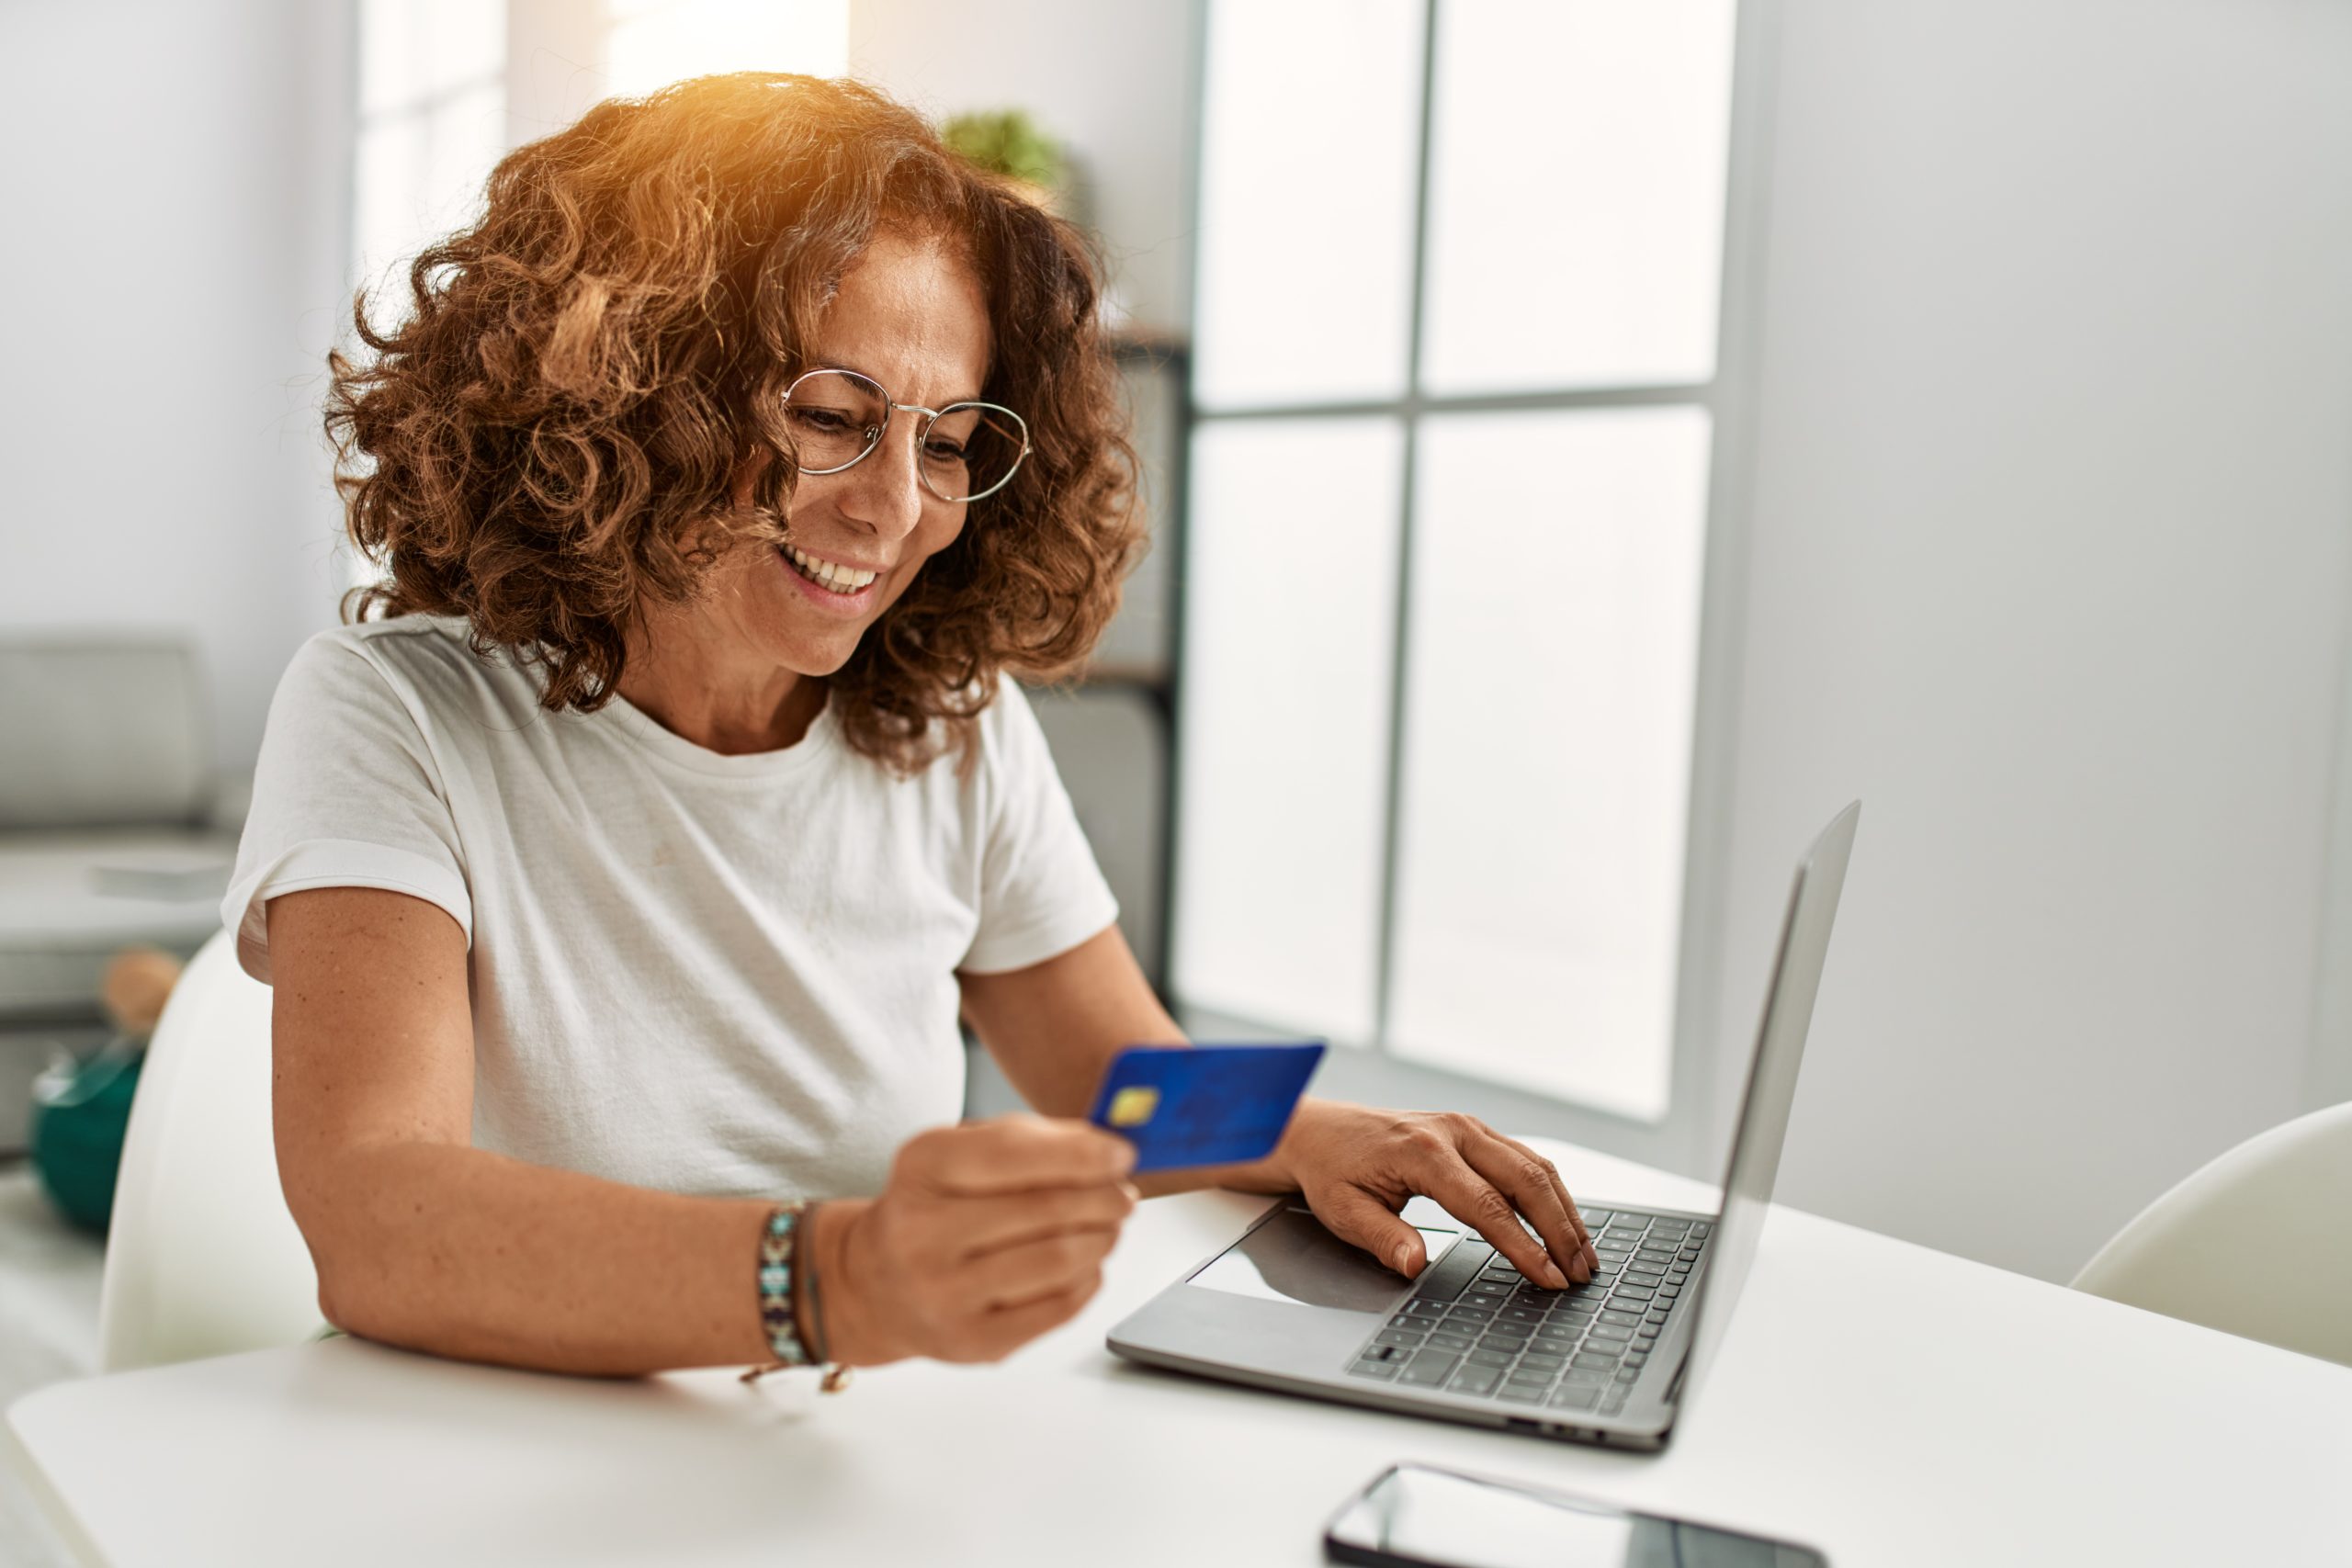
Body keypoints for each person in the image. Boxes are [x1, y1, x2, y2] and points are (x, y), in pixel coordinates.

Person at [226, 73, 1600, 1381]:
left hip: (846, 1442)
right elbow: (380, 1221)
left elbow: (1115, 1079)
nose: (894, 509)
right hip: (499, 1449)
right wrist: (835, 1279)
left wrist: (1316, 1130)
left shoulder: (951, 727)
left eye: (945, 442)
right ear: (627, 402)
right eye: (832, 416)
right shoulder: (395, 712)